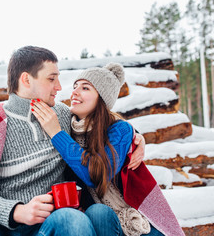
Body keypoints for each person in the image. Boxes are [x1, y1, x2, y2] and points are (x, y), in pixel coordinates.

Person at [0, 46, 146, 236]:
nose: (59, 87)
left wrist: (135, 136)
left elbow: (98, 123)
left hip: (49, 224)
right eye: (51, 79)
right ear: (26, 80)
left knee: (72, 220)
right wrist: (16, 211)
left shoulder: (62, 116)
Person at [31, 63, 185, 236]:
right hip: (92, 221)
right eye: (75, 86)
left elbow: (96, 175)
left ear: (102, 98)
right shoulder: (68, 129)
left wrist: (56, 133)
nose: (75, 91)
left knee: (99, 212)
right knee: (97, 212)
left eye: (85, 88)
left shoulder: (117, 130)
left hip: (134, 224)